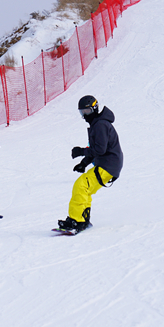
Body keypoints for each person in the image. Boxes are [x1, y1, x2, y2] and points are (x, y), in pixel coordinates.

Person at [58, 95, 123, 233]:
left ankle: (77, 220)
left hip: (108, 164)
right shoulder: (97, 124)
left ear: (94, 109)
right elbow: (95, 148)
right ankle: (83, 219)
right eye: (82, 112)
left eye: (86, 112)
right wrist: (83, 163)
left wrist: (81, 151)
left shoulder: (100, 125)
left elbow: (100, 149)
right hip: (108, 164)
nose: (84, 115)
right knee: (85, 188)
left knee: (80, 186)